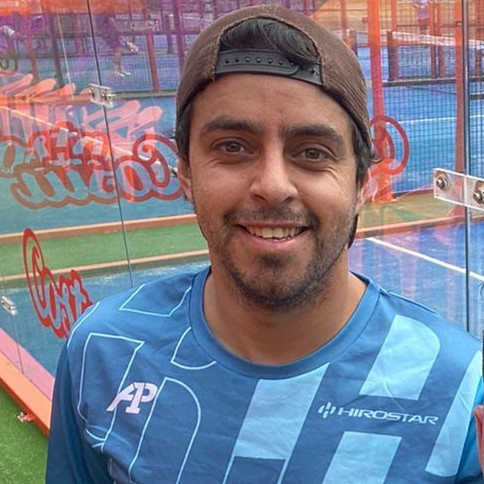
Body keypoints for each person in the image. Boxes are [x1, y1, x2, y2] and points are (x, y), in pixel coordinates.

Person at [46, 5, 483, 482]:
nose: (273, 186)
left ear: (362, 183)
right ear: (185, 171)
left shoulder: (464, 386)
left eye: (312, 153)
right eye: (232, 146)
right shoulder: (103, 349)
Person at [96, 13, 139, 77]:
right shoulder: (108, 12)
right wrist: (117, 31)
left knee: (119, 50)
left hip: (111, 33)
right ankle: (115, 70)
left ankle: (120, 69)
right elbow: (111, 22)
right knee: (118, 51)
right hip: (111, 34)